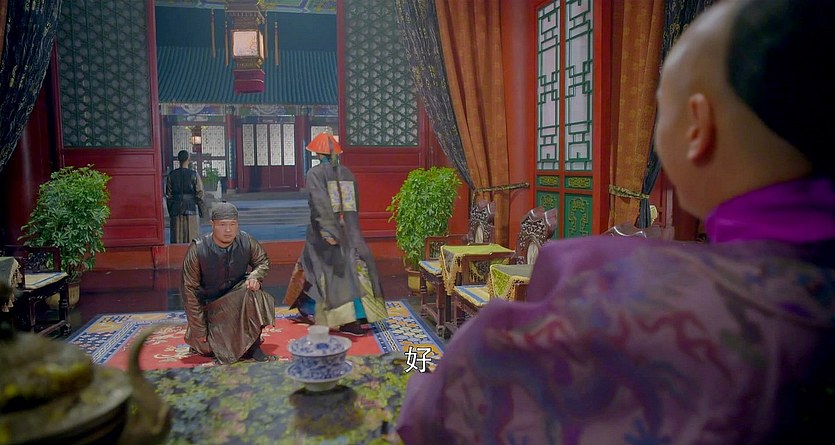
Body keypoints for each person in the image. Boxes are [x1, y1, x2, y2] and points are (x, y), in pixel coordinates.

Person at [397, 0, 835, 443]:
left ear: (697, 127)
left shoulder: (613, 294)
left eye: (663, 108)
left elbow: (439, 412)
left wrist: (423, 367)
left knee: (417, 360)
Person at [284, 132, 387, 336]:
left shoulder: (314, 174)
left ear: (317, 153)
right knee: (355, 270)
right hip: (349, 230)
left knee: (327, 274)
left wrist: (328, 231)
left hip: (325, 233)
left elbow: (320, 203)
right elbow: (353, 206)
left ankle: (346, 321)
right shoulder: (347, 174)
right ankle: (361, 315)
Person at [181, 202, 275, 364]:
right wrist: (199, 330)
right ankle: (219, 339)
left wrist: (255, 276)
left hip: (238, 301)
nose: (228, 230)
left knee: (253, 291)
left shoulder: (246, 241)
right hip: (211, 309)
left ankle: (253, 345)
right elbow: (189, 291)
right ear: (212, 224)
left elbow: (262, 261)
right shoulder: (198, 250)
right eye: (222, 225)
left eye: (232, 224)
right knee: (209, 349)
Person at [165, 150, 205, 244]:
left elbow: (169, 195)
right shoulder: (194, 174)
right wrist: (202, 210)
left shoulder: (171, 175)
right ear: (188, 159)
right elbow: (200, 193)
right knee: (192, 239)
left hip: (176, 208)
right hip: (191, 208)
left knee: (177, 238)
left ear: (178, 159)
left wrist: (171, 211)